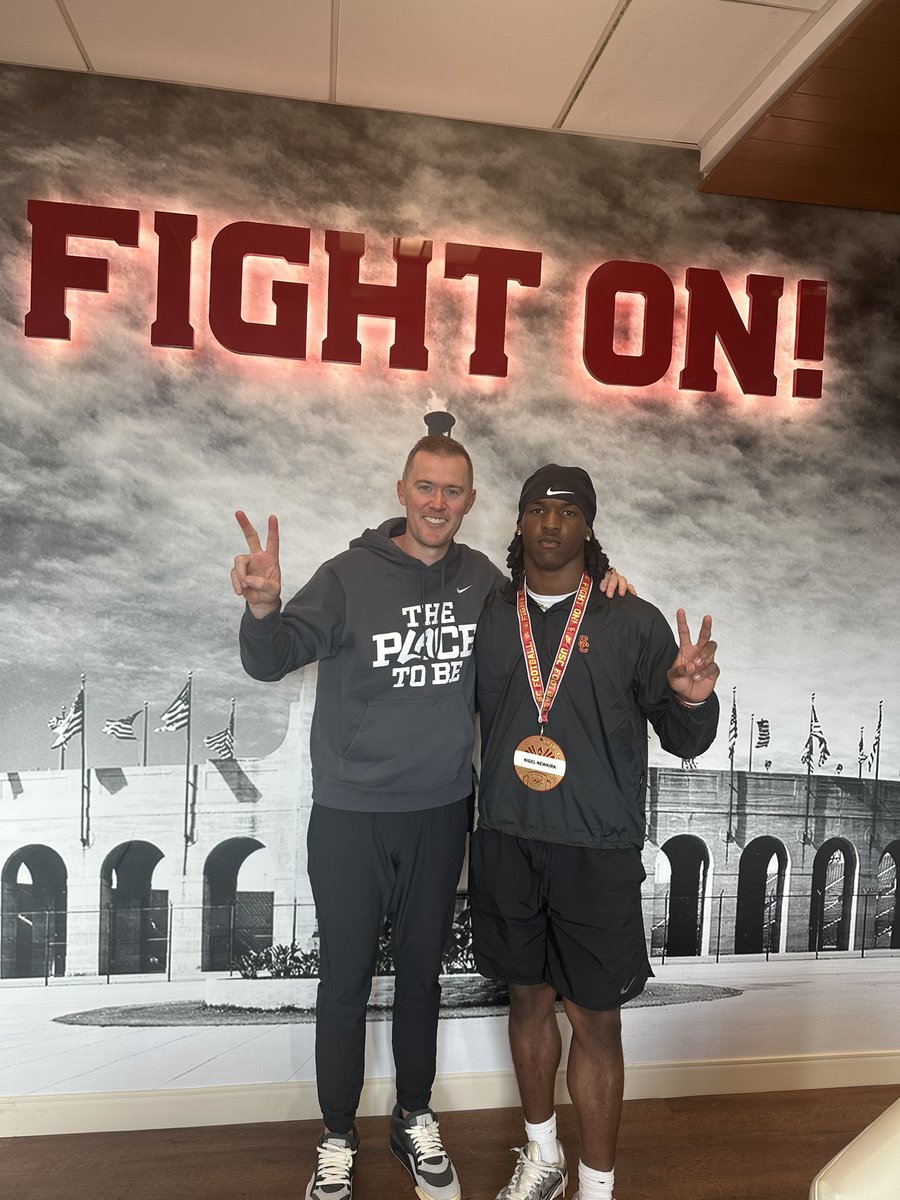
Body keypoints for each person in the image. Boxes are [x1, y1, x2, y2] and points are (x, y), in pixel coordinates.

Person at [232, 438, 630, 1200]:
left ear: (471, 501)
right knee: (344, 981)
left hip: (442, 810)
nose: (437, 503)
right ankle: (337, 1135)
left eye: (452, 491)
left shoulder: (483, 580)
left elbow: (550, 615)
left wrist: (605, 583)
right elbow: (269, 658)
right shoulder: (346, 576)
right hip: (351, 814)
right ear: (402, 490)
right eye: (425, 487)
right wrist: (261, 609)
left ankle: (414, 1116)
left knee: (421, 979)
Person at [469, 464, 720, 1200]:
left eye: (568, 511)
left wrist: (693, 700)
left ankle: (598, 1186)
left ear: (588, 527)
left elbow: (686, 739)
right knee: (526, 1002)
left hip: (596, 848)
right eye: (537, 508)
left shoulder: (632, 620)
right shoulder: (489, 612)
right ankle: (543, 1157)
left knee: (596, 1023)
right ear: (519, 521)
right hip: (507, 838)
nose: (551, 522)